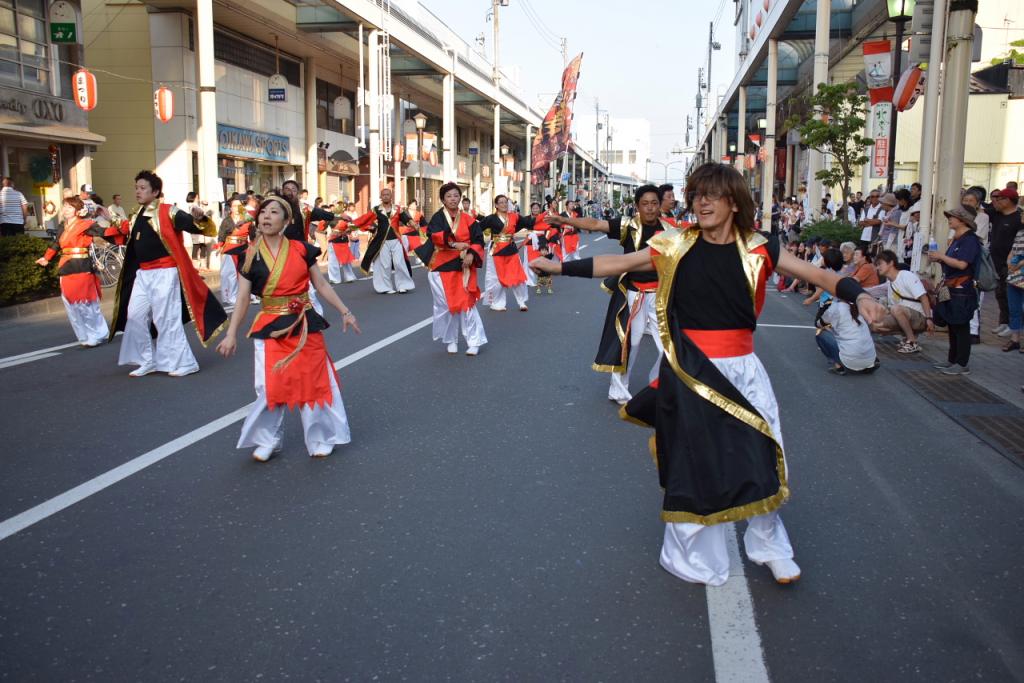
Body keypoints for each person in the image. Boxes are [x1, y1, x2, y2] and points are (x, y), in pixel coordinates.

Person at [530, 162, 886, 586]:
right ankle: (695, 555)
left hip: (742, 370)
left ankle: (769, 545)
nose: (701, 202)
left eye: (711, 194)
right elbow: (620, 262)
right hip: (688, 368)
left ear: (733, 202)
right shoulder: (674, 243)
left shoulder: (759, 247)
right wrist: (560, 268)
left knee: (763, 454)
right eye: (697, 193)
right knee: (695, 462)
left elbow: (820, 274)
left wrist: (860, 293)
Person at [216, 195, 360, 461]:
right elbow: (244, 298)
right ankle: (267, 439)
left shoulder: (302, 249)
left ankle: (321, 437)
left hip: (304, 323)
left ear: (286, 220)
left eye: (274, 212)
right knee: (270, 385)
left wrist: (345, 312)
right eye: (263, 212)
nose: (266, 217)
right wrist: (231, 333)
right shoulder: (250, 255)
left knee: (314, 381)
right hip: (270, 324)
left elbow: (322, 285)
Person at [548, 185, 672, 405]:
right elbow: (595, 224)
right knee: (629, 344)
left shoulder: (672, 230)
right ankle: (618, 389)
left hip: (662, 295)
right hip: (634, 293)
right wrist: (566, 221)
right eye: (645, 204)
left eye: (654, 203)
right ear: (637, 206)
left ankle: (660, 384)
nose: (651, 208)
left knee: (669, 348)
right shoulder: (629, 226)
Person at [109, 170, 228, 376]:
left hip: (165, 272)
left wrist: (200, 218)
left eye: (142, 188)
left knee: (166, 318)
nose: (138, 191)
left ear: (155, 192)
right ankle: (147, 360)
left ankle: (185, 362)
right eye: (136, 188)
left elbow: (200, 228)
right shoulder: (136, 212)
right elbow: (127, 232)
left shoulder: (169, 212)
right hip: (143, 274)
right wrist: (109, 218)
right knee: (135, 316)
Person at [414, 182, 487, 355]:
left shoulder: (468, 219)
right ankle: (451, 339)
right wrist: (454, 243)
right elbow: (435, 236)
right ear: (443, 200)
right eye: (449, 196)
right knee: (446, 305)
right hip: (441, 264)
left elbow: (478, 239)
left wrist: (471, 254)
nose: (453, 199)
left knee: (467, 304)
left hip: (463, 265)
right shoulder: (438, 218)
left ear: (460, 198)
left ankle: (474, 341)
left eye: (456, 195)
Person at [34, 196, 114, 346]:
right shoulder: (62, 226)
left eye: (69, 207)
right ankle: (85, 335)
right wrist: (46, 258)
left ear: (78, 211)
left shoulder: (85, 225)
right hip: (66, 265)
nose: (65, 209)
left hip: (81, 265)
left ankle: (96, 334)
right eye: (64, 206)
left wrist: (118, 226)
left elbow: (104, 231)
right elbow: (56, 244)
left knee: (85, 304)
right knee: (71, 304)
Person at [929, 205, 981, 375]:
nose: (949, 219)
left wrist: (941, 257)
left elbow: (962, 264)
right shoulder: (958, 238)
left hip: (962, 289)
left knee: (961, 325)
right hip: (951, 287)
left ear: (963, 220)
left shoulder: (970, 240)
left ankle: (962, 363)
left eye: (953, 216)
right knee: (952, 323)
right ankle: (952, 360)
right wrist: (941, 259)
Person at [867, 250, 934, 354]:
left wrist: (929, 319)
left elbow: (923, 297)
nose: (877, 268)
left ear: (891, 263)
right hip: (906, 315)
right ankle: (907, 336)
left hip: (921, 317)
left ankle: (912, 342)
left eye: (880, 264)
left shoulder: (906, 276)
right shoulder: (890, 283)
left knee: (896, 308)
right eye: (876, 265)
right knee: (876, 323)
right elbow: (874, 290)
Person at [353, 187, 416, 294]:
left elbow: (405, 218)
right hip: (383, 241)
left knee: (399, 263)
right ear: (381, 197)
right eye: (383, 195)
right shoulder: (376, 209)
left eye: (388, 194)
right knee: (385, 265)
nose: (386, 196)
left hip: (396, 240)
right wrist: (352, 225)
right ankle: (385, 287)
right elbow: (365, 219)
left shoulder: (397, 209)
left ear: (391, 196)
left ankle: (403, 285)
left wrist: (411, 222)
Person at [479, 194, 530, 312]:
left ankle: (522, 301)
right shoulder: (491, 218)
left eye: (505, 202)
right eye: (501, 202)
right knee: (495, 278)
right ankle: (496, 303)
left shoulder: (513, 216)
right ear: (496, 205)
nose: (504, 204)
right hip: (496, 249)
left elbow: (527, 222)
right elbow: (477, 229)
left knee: (518, 275)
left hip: (511, 249)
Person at [987, 188, 1024, 337]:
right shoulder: (996, 214)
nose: (996, 200)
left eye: (1000, 198)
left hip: (1013, 265)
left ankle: (1013, 325)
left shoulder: (1018, 218)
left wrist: (1014, 261)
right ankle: (1004, 322)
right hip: (997, 261)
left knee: (1013, 296)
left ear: (1009, 200)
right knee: (1000, 293)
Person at [217, 198, 253, 306]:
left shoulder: (247, 219)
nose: (237, 208)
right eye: (234, 206)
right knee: (231, 275)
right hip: (230, 250)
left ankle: (245, 295)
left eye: (239, 205)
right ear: (231, 208)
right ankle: (231, 296)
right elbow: (221, 235)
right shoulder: (227, 220)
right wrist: (219, 246)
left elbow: (252, 234)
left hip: (244, 249)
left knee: (244, 274)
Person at [1000, 214, 1024, 352]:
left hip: (1020, 269)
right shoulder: (1020, 232)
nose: (1022, 214)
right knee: (1014, 306)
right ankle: (1015, 339)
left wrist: (1019, 264)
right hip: (1014, 272)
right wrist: (1010, 262)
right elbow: (1012, 250)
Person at [326, 209, 358, 284]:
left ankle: (338, 278)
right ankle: (347, 277)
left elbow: (353, 228)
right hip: (336, 240)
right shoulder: (345, 219)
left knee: (340, 260)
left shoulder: (346, 219)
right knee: (338, 260)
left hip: (339, 240)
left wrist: (345, 231)